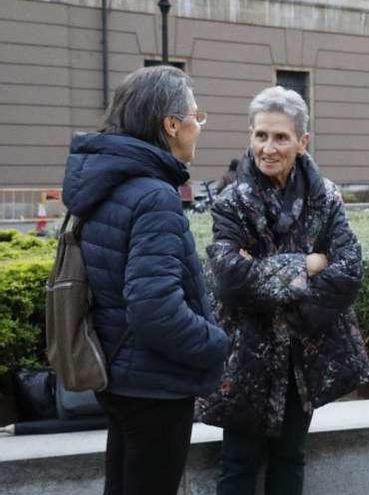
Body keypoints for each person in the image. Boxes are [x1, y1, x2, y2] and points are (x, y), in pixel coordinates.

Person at [195, 86, 369, 495]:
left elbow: (348, 270)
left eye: (280, 137)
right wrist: (309, 263)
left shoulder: (325, 197)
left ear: (302, 141)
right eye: (261, 136)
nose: (268, 147)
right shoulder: (231, 203)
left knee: (290, 458)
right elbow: (230, 281)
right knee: (238, 464)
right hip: (247, 358)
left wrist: (271, 285)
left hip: (303, 355)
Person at [61, 65, 230, 495]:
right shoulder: (154, 196)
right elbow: (154, 308)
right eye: (196, 115)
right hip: (154, 386)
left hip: (116, 375)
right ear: (171, 125)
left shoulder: (107, 183)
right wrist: (215, 344)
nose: (199, 126)